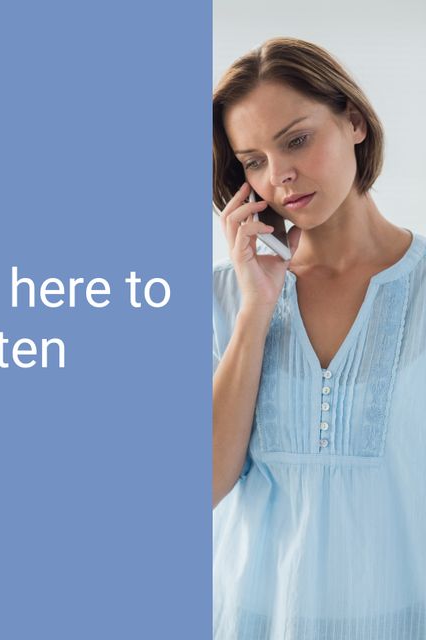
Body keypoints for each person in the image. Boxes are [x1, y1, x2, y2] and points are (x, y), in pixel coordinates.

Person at [212, 37, 426, 639]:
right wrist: (255, 311)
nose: (279, 175)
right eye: (253, 161)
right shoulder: (224, 299)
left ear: (353, 121)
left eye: (296, 140)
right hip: (252, 622)